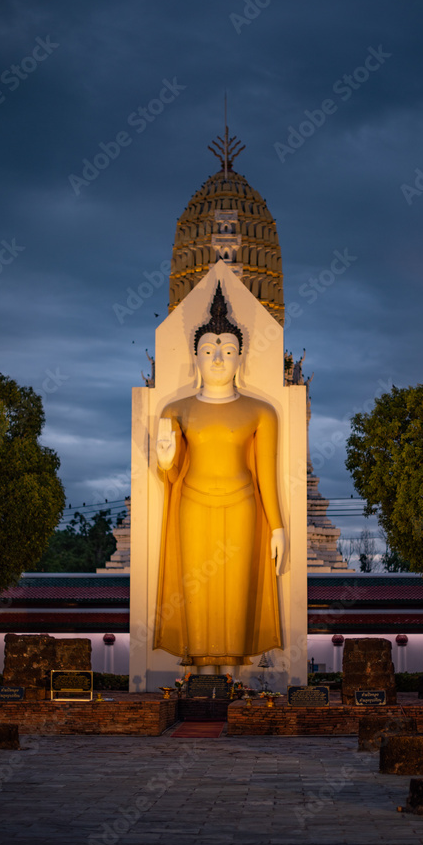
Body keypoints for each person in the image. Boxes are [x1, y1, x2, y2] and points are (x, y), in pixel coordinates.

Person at [154, 282, 286, 668]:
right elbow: (174, 474)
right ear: (195, 356)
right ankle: (198, 668)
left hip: (243, 504)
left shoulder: (261, 411)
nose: (217, 359)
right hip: (192, 503)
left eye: (227, 351)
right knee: (195, 588)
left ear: (240, 357)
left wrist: (277, 527)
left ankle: (231, 673)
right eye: (208, 351)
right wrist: (165, 461)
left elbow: (266, 474)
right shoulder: (175, 410)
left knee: (236, 591)